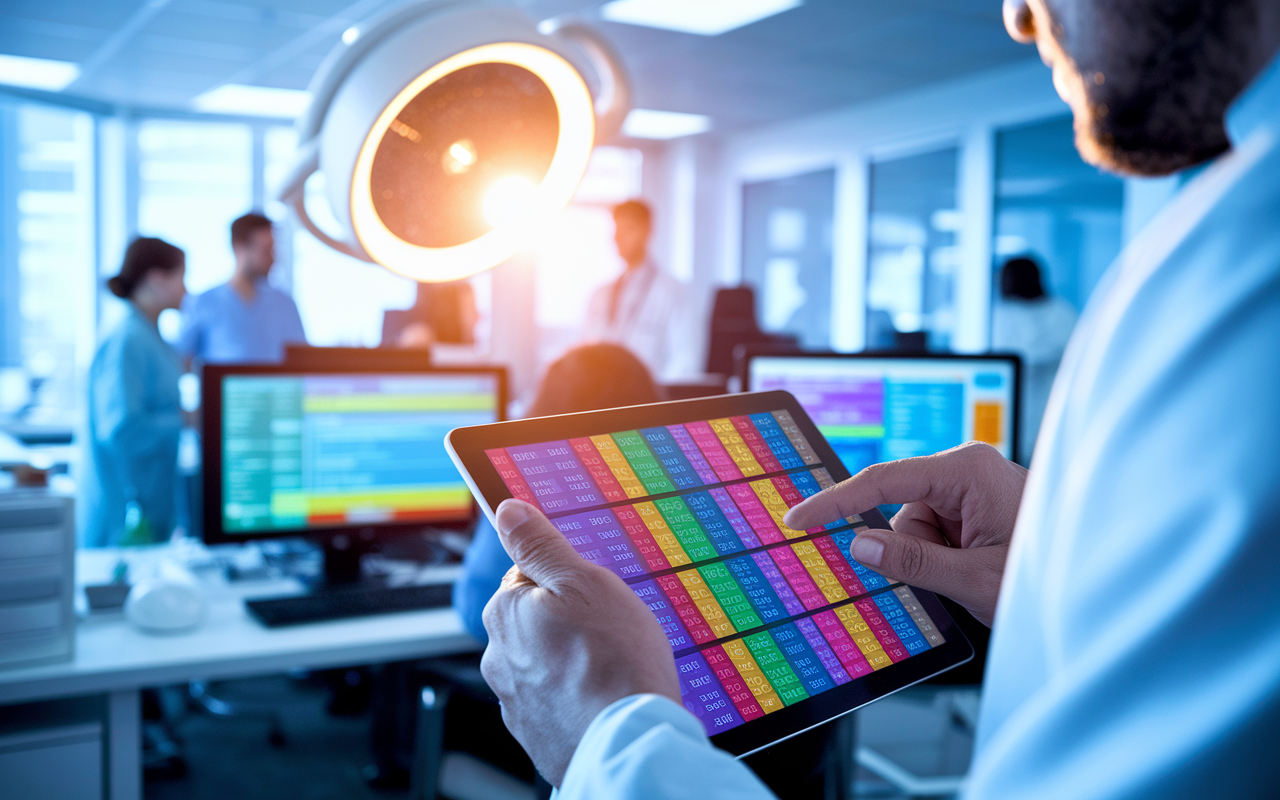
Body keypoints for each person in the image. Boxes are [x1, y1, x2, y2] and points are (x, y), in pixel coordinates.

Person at [477, 0, 1280, 797]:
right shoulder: (1229, 236)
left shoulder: (1249, 260)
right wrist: (1051, 556)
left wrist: (612, 734)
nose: (1017, 18)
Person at [84, 238, 188, 547]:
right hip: (124, 520)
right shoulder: (128, 340)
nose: (186, 289)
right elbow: (122, 431)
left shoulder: (150, 335)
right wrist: (185, 420)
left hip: (151, 513)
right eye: (182, 277)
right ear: (157, 279)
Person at [581, 200, 700, 382]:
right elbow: (584, 353)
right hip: (603, 401)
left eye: (628, 228)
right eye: (616, 229)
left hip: (651, 404)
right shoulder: (600, 295)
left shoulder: (673, 292)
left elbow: (685, 362)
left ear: (647, 231)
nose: (618, 237)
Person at [178, 212, 306, 365]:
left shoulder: (285, 304)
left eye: (273, 250)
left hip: (278, 389)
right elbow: (181, 361)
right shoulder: (203, 302)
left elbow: (303, 360)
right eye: (266, 250)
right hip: (221, 389)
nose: (273, 258)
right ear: (239, 248)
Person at [990, 255, 1078, 463]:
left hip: (1050, 409)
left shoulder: (1060, 313)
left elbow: (1031, 356)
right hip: (1012, 417)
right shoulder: (1003, 315)